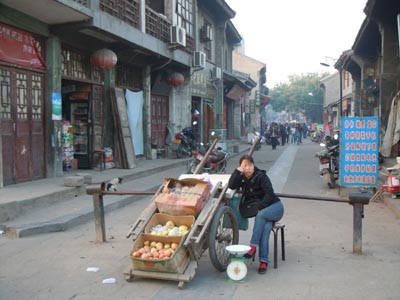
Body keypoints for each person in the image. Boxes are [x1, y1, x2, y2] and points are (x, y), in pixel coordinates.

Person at [228, 155, 284, 274]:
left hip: (275, 208)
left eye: (250, 165)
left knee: (260, 215)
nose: (247, 168)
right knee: (266, 229)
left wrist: (259, 207)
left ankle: (252, 246)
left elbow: (270, 194)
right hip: (264, 213)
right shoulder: (242, 178)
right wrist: (237, 171)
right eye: (244, 166)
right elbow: (232, 185)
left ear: (254, 166)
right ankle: (264, 261)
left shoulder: (261, 177)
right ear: (241, 167)